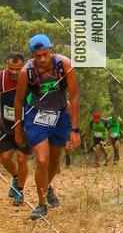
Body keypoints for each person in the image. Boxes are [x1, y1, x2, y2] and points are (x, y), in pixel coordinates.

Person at [14, 34, 81, 221]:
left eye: (45, 54)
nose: (42, 59)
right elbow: (19, 102)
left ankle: (47, 186)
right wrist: (18, 131)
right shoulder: (26, 72)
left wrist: (75, 129)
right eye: (38, 56)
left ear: (51, 49)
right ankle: (41, 204)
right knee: (42, 160)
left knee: (54, 163)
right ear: (33, 55)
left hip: (59, 116)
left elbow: (74, 96)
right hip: (36, 117)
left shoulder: (65, 65)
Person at [0, 52, 30, 206]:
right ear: (7, 64)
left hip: (24, 127)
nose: (14, 72)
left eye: (17, 69)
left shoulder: (29, 79)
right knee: (4, 158)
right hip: (6, 126)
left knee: (21, 158)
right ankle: (16, 177)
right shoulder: (1, 78)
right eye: (11, 68)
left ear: (23, 67)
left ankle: (20, 190)